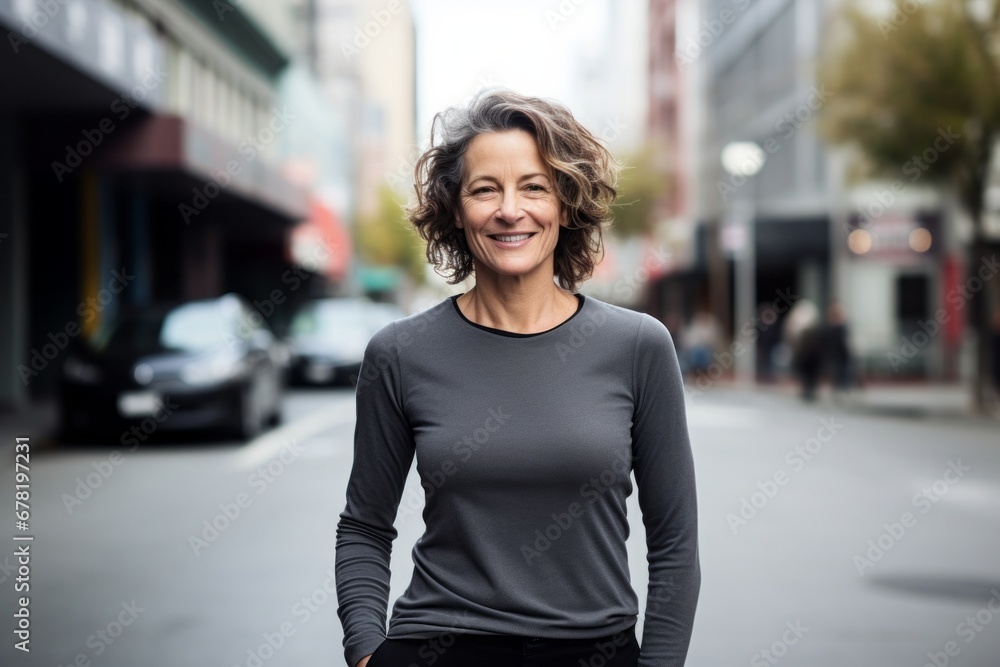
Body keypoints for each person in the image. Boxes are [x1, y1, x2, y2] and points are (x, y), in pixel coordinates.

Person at [335, 90, 700, 667]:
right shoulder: (400, 354)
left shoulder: (637, 345)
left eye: (533, 186)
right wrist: (365, 651)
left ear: (564, 203)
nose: (510, 209)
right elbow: (364, 525)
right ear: (456, 210)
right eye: (485, 189)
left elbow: (674, 545)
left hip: (593, 650)